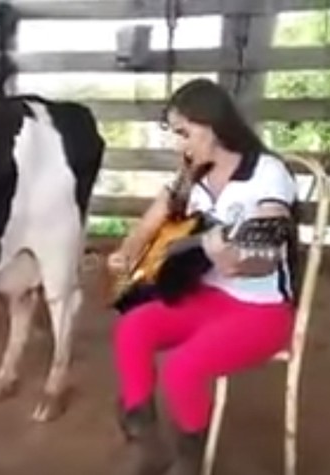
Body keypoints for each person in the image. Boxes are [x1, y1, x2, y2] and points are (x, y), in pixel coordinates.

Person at [105, 78, 300, 475]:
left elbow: (268, 248)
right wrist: (128, 252)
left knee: (182, 367)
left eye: (184, 133)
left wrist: (238, 259)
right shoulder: (191, 175)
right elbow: (157, 215)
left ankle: (189, 460)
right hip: (206, 296)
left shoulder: (266, 172)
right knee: (133, 328)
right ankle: (147, 446)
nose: (181, 145)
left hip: (261, 312)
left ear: (211, 124)